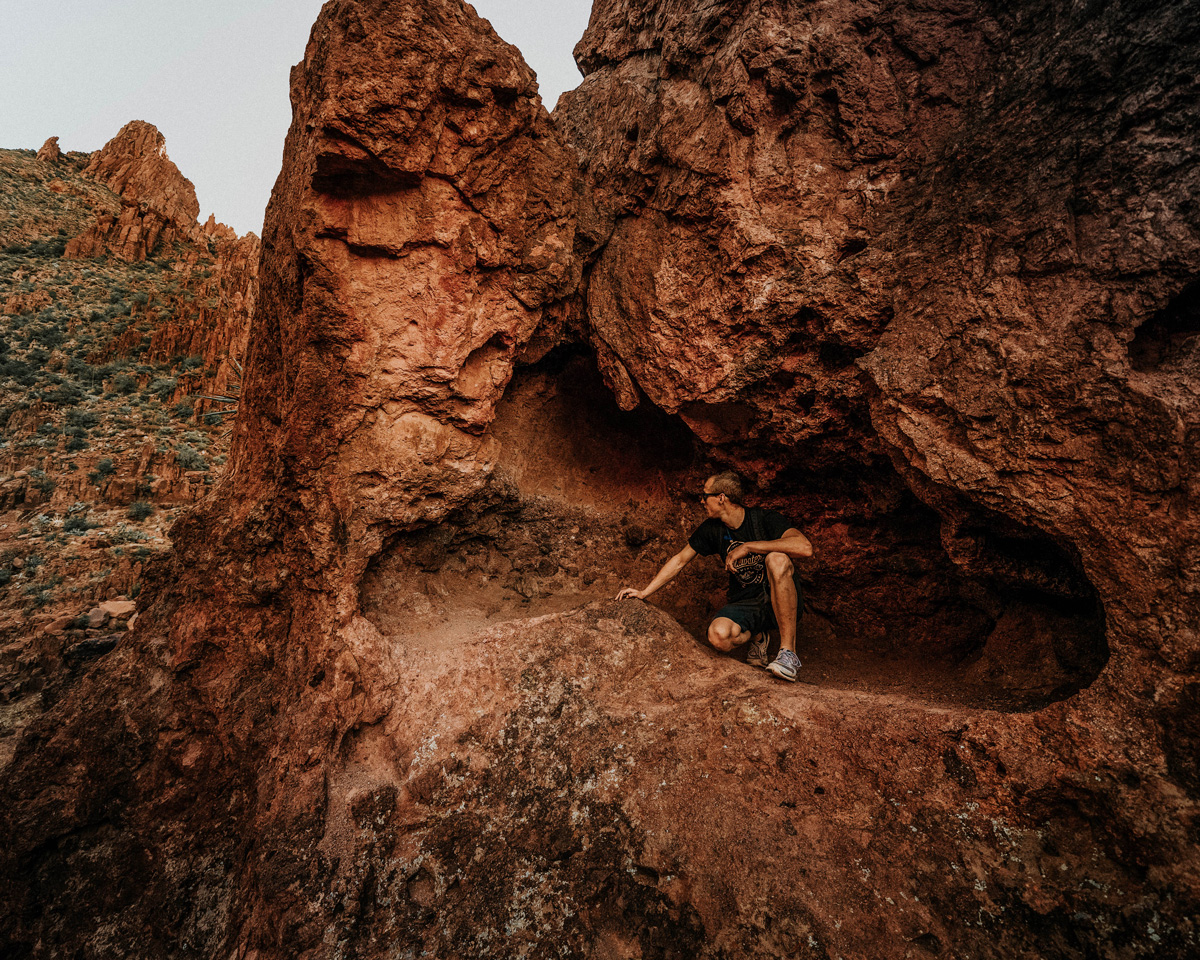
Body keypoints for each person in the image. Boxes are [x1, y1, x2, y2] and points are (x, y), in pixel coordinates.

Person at [616, 471, 813, 681]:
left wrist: (748, 546)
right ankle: (758, 633)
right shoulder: (712, 529)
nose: (701, 500)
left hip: (781, 597)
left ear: (721, 498)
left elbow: (804, 547)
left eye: (705, 495)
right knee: (718, 636)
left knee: (777, 559)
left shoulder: (764, 519)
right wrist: (644, 592)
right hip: (746, 600)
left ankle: (788, 654)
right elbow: (680, 560)